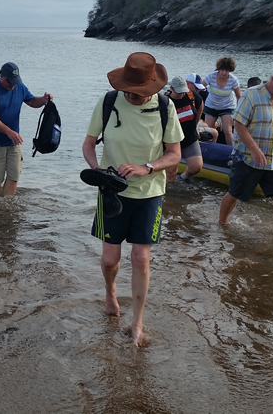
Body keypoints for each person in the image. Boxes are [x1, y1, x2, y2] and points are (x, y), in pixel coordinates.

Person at [81, 53, 183, 346]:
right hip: (112, 192)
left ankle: (137, 321)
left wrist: (146, 167)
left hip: (150, 192)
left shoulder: (165, 107)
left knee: (140, 257)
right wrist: (98, 171)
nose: (131, 96)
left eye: (137, 93)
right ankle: (110, 292)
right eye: (128, 91)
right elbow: (88, 144)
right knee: (110, 258)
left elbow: (174, 154)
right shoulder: (108, 102)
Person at [218, 65, 273, 236]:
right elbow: (238, 124)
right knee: (235, 194)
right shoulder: (251, 95)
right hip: (248, 157)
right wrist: (254, 150)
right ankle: (222, 224)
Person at [0, 62, 52, 196]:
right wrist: (8, 131)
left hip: (14, 141)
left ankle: (8, 205)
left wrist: (44, 99)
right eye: (10, 81)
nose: (13, 85)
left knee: (14, 176)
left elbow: (32, 101)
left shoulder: (19, 86)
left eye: (15, 80)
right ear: (1, 76)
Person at [165, 75, 203, 181]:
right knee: (171, 172)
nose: (182, 94)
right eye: (179, 92)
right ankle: (169, 189)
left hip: (189, 138)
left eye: (183, 91)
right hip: (172, 141)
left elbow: (200, 106)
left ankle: (182, 178)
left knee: (196, 167)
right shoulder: (165, 101)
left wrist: (195, 125)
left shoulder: (192, 95)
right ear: (171, 88)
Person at [202, 57, 242, 146]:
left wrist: (238, 113)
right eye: (222, 70)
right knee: (208, 130)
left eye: (226, 70)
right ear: (218, 69)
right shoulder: (211, 76)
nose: (224, 73)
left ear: (230, 71)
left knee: (227, 130)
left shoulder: (233, 80)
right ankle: (208, 148)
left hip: (227, 106)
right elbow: (200, 87)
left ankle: (232, 150)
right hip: (211, 104)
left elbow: (239, 97)